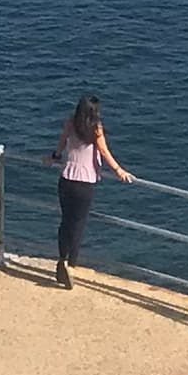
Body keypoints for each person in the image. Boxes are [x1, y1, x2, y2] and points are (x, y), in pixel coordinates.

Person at [51, 94, 130, 288]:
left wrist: (54, 157)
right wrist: (119, 171)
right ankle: (72, 266)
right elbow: (104, 151)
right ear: (94, 112)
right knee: (78, 225)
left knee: (65, 221)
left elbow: (61, 143)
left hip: (66, 178)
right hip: (85, 182)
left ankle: (62, 259)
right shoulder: (96, 128)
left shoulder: (70, 122)